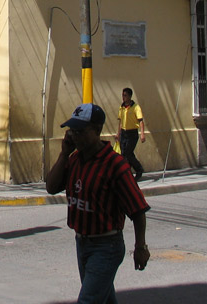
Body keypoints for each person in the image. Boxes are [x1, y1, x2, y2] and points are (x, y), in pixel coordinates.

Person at [46, 104, 150, 304]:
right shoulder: (75, 160)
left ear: (97, 130)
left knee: (89, 300)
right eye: (72, 131)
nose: (74, 136)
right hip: (82, 243)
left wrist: (140, 247)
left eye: (80, 131)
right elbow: (51, 186)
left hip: (106, 246)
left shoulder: (115, 165)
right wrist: (63, 154)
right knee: (103, 298)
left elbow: (138, 210)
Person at [116, 87, 145, 180]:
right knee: (124, 153)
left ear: (130, 96)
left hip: (132, 133)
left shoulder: (136, 107)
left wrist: (142, 134)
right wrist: (118, 134)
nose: (123, 97)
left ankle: (139, 169)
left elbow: (140, 121)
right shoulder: (122, 107)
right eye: (122, 95)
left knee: (128, 152)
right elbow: (120, 121)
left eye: (125, 95)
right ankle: (127, 173)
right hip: (124, 133)